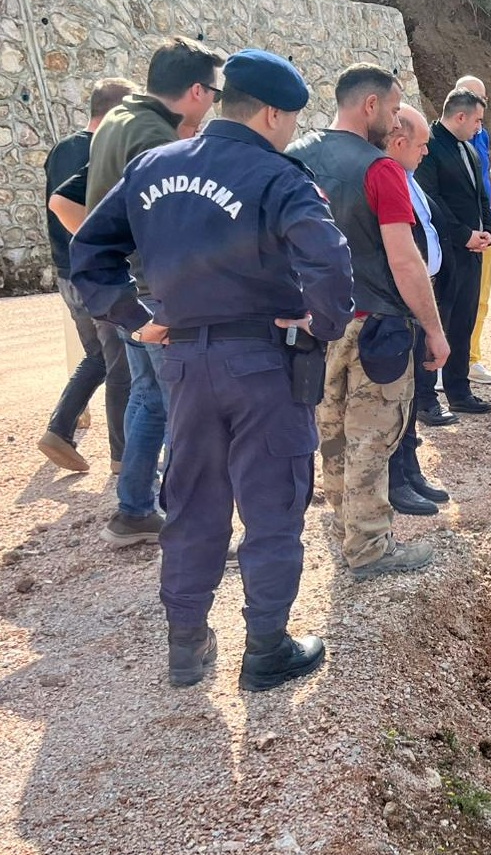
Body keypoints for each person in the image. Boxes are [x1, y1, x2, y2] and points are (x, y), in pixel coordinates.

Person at [69, 48, 355, 692]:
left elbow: (89, 252)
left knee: (193, 505)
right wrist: (320, 324)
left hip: (183, 362)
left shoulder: (153, 165)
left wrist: (135, 318)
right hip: (263, 365)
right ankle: (266, 651)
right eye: (290, 119)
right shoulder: (279, 177)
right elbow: (330, 264)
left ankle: (186, 649)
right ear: (274, 113)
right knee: (273, 505)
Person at [288, 66, 447, 579]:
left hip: (313, 326)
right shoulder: (381, 171)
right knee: (372, 439)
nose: (398, 118)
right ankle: (369, 546)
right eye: (396, 106)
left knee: (330, 433)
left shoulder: (295, 158)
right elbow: (404, 261)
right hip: (374, 325)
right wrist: (435, 329)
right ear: (371, 106)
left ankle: (345, 535)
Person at [84, 37, 225, 549]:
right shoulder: (153, 138)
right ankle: (193, 528)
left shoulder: (121, 118)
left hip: (132, 294)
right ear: (194, 90)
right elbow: (167, 228)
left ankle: (134, 511)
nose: (214, 102)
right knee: (187, 416)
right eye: (213, 91)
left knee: (149, 401)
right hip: (159, 299)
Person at [38, 77, 135, 473]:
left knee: (98, 355)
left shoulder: (62, 148)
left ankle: (59, 429)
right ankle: (123, 457)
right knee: (122, 365)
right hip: (96, 271)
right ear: (119, 112)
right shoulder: (104, 149)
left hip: (66, 272)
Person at [382, 107, 455, 517]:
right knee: (396, 400)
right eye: (423, 144)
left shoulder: (408, 179)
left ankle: (410, 470)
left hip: (417, 298)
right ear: (399, 142)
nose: (427, 152)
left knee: (411, 397)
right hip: (398, 303)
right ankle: (396, 478)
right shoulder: (385, 178)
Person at [414, 88, 491, 422]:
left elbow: (479, 196)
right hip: (446, 252)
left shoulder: (469, 149)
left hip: (474, 251)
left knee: (463, 320)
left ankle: (459, 392)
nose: (479, 127)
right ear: (460, 116)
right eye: (476, 120)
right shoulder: (429, 147)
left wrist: (487, 230)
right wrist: (464, 236)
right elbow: (431, 200)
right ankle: (425, 399)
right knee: (436, 322)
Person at [457, 74, 491, 388]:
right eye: (473, 97)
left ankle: (471, 357)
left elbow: (484, 180)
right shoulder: (442, 139)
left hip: (484, 226)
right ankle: (453, 362)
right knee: (456, 298)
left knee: (481, 299)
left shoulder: (481, 136)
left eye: (482, 99)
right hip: (460, 230)